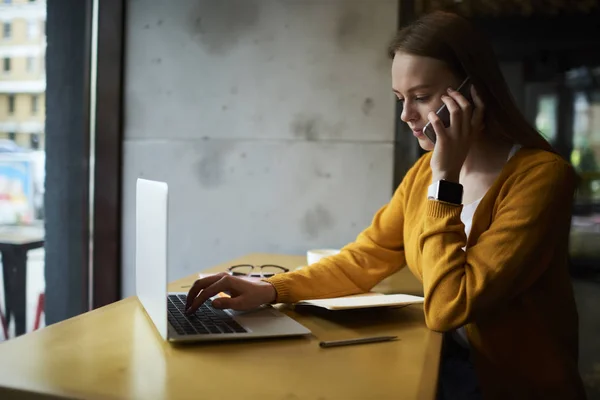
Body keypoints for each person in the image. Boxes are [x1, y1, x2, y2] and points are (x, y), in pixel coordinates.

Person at [186, 10, 586, 400]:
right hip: (442, 360)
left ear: (471, 92)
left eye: (422, 97)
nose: (406, 115)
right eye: (399, 98)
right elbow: (365, 257)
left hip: (509, 385)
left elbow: (450, 305)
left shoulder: (540, 178)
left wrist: (446, 179)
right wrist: (271, 289)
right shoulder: (421, 175)